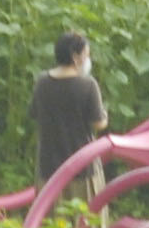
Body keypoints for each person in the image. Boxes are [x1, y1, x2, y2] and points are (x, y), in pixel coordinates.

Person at [31, 31, 109, 202]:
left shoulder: (42, 82)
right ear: (75, 57)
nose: (88, 60)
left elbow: (35, 113)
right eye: (86, 55)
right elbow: (98, 123)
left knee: (49, 221)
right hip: (82, 166)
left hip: (48, 166)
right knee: (85, 220)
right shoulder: (88, 85)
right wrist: (105, 114)